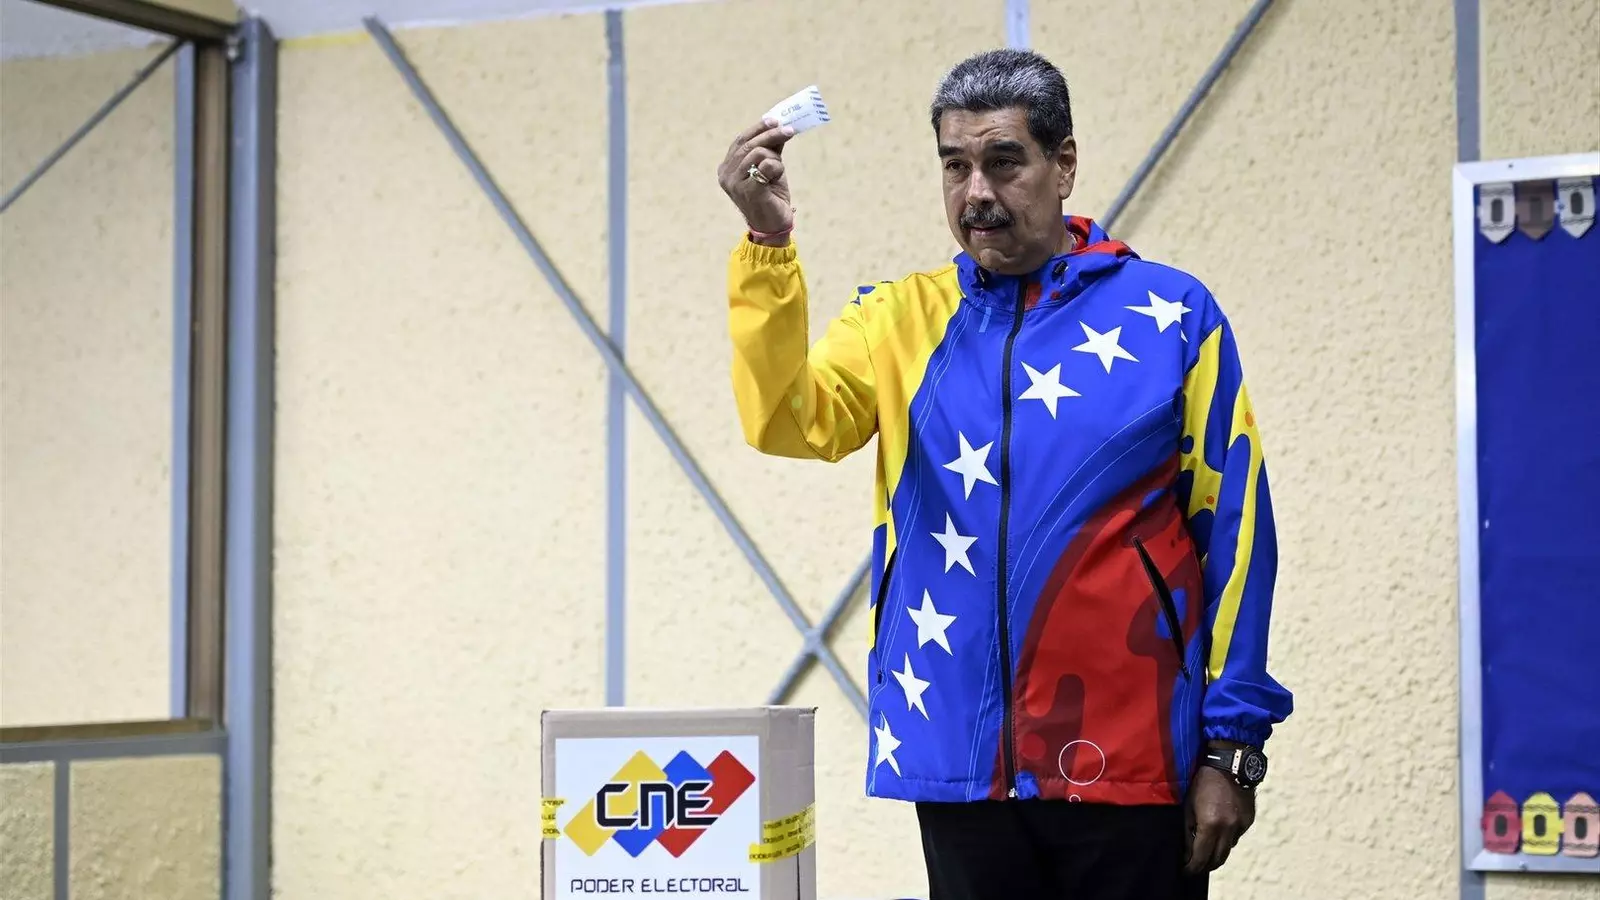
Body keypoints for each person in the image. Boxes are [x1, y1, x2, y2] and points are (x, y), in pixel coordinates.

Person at [717, 48, 1293, 900]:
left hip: (1131, 762)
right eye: (955, 166)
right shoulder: (896, 319)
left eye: (1003, 161)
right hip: (957, 758)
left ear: (1064, 165)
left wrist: (1232, 745)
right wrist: (768, 244)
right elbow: (787, 421)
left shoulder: (1172, 315)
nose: (976, 192)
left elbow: (1237, 532)